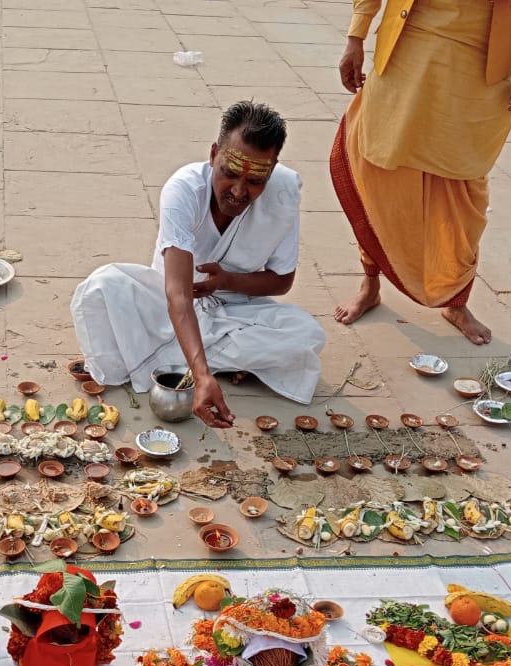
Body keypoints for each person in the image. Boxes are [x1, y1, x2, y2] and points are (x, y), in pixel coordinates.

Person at [72, 101, 326, 429]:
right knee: (102, 287)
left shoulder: (284, 192)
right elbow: (177, 294)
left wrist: (227, 282)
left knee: (306, 334)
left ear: (273, 169)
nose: (238, 191)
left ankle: (177, 358)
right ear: (213, 155)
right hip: (165, 304)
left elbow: (281, 282)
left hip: (235, 310)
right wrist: (203, 375)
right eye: (229, 173)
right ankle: (213, 363)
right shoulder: (184, 188)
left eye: (255, 181)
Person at [329, 0, 511, 345]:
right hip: (406, 46)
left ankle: (456, 301)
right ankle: (370, 283)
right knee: (379, 175)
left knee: (466, 190)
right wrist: (356, 34)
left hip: (481, 61)